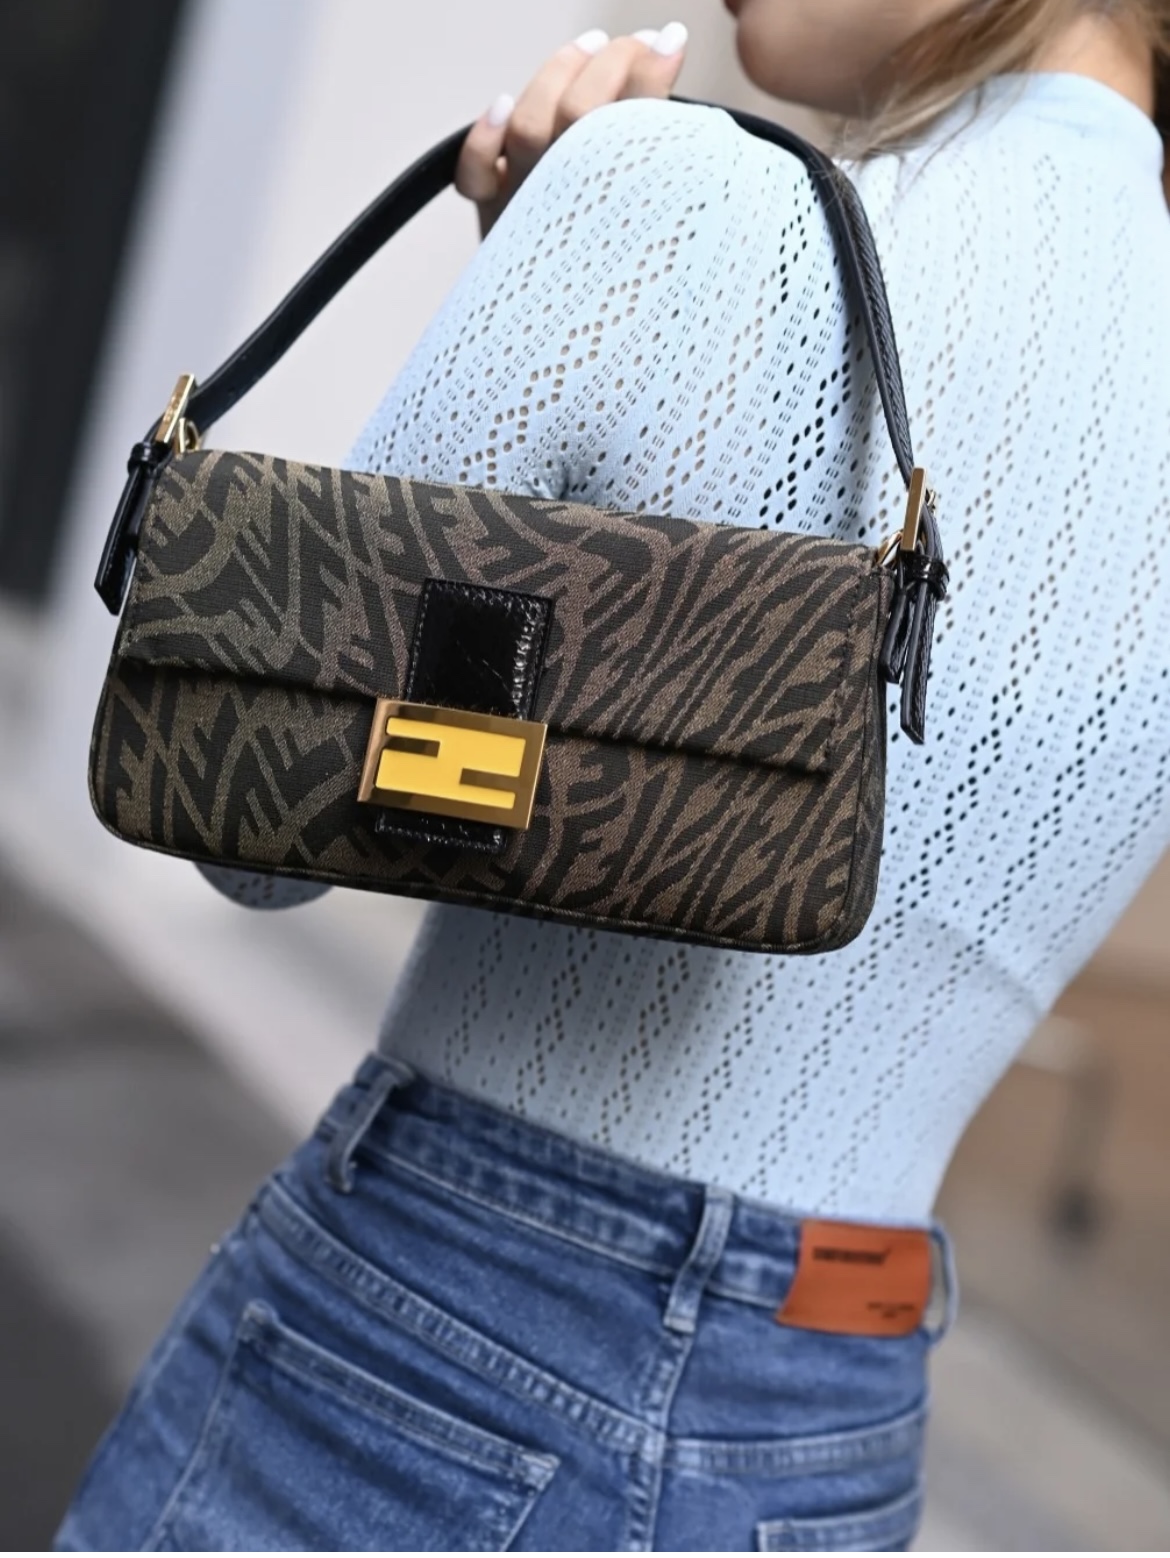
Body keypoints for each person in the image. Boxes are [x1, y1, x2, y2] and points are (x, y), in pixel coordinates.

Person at [58, 1, 1170, 1551]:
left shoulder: (673, 197)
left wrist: (554, 273)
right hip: (840, 1409)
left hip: (440, 1335)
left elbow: (256, 840)